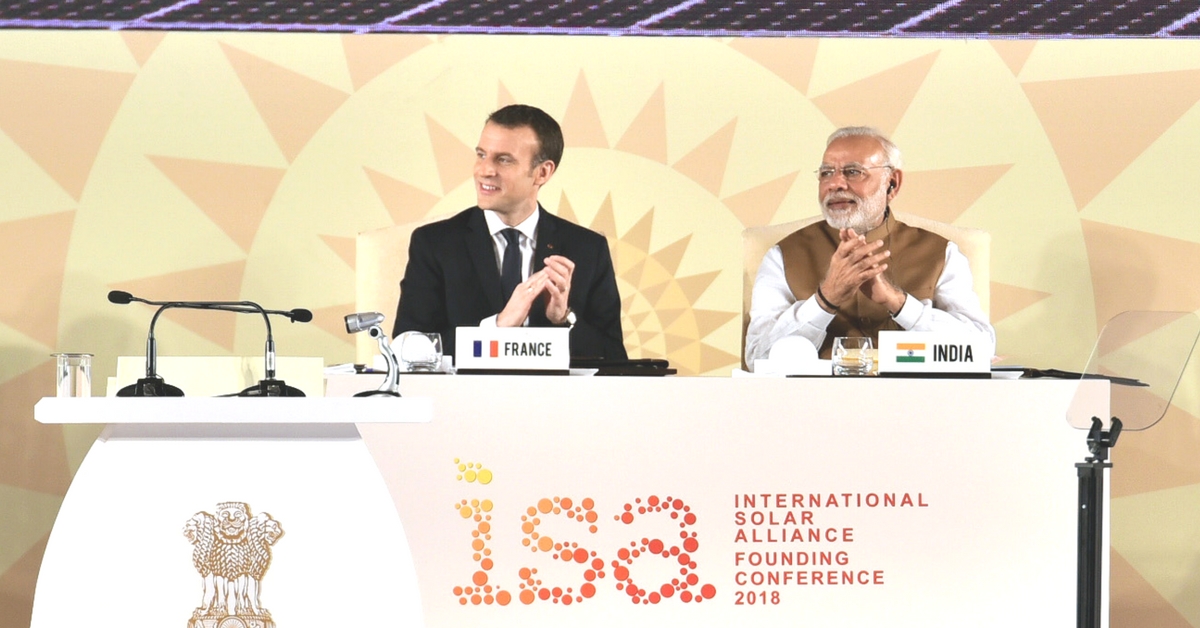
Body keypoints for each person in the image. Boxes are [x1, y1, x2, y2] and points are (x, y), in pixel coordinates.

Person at [745, 126, 994, 368]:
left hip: (919, 402)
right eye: (826, 173)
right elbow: (757, 358)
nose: (835, 184)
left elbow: (981, 350)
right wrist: (825, 299)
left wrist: (898, 302)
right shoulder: (783, 255)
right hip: (814, 402)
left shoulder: (941, 253)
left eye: (853, 172)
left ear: (892, 183)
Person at [393, 104, 627, 360]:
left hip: (556, 399)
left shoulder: (587, 249)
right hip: (465, 398)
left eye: (503, 160)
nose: (484, 170)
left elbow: (614, 359)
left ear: (542, 172)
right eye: (481, 155)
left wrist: (563, 318)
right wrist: (498, 327)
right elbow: (408, 350)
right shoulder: (435, 244)